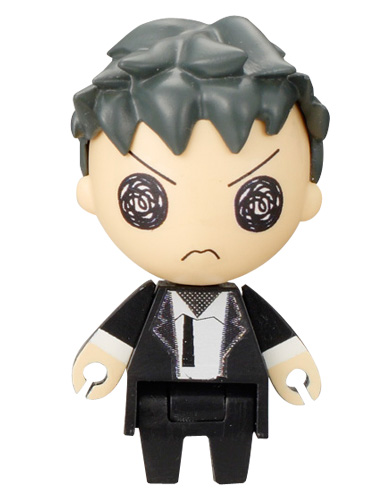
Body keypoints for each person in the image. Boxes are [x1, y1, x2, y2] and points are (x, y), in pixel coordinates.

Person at [71, 16, 329, 484]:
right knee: (160, 469)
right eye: (146, 196)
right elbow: (120, 335)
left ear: (306, 197)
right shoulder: (151, 305)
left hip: (236, 402)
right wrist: (102, 360)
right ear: (91, 192)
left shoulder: (242, 307)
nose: (199, 233)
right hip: (157, 400)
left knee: (232, 470)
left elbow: (273, 339)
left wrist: (291, 366)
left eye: (255, 199)